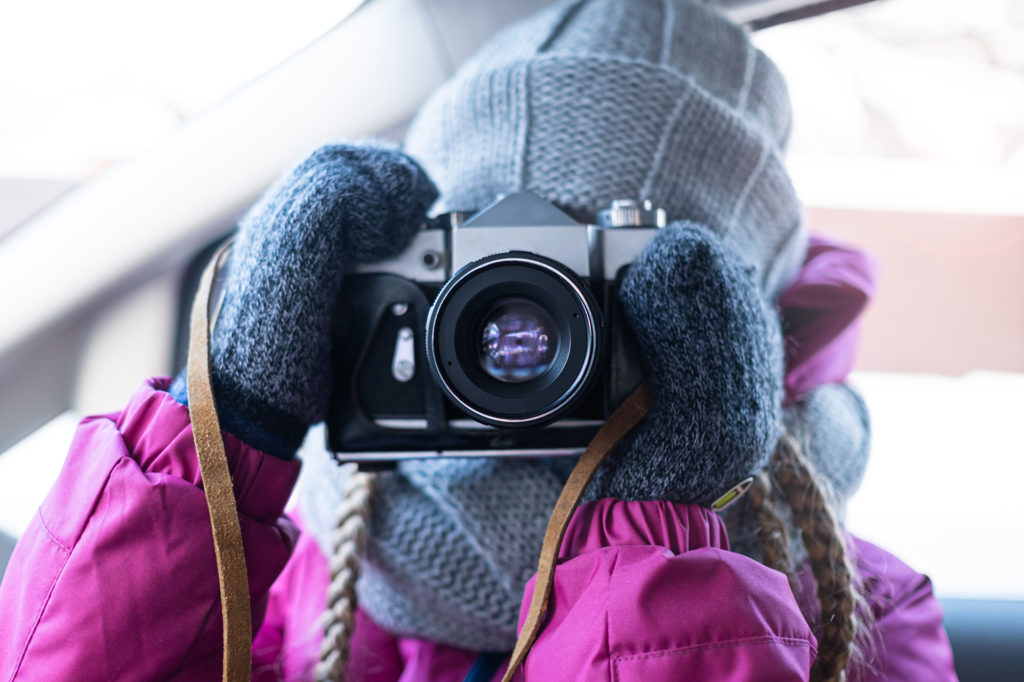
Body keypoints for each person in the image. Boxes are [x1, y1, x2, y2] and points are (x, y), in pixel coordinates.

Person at [0, 1, 957, 681]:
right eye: (489, 274)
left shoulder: (851, 614)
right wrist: (228, 431)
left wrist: (674, 556)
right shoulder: (315, 561)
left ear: (732, 326)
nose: (530, 330)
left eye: (600, 280)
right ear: (417, 283)